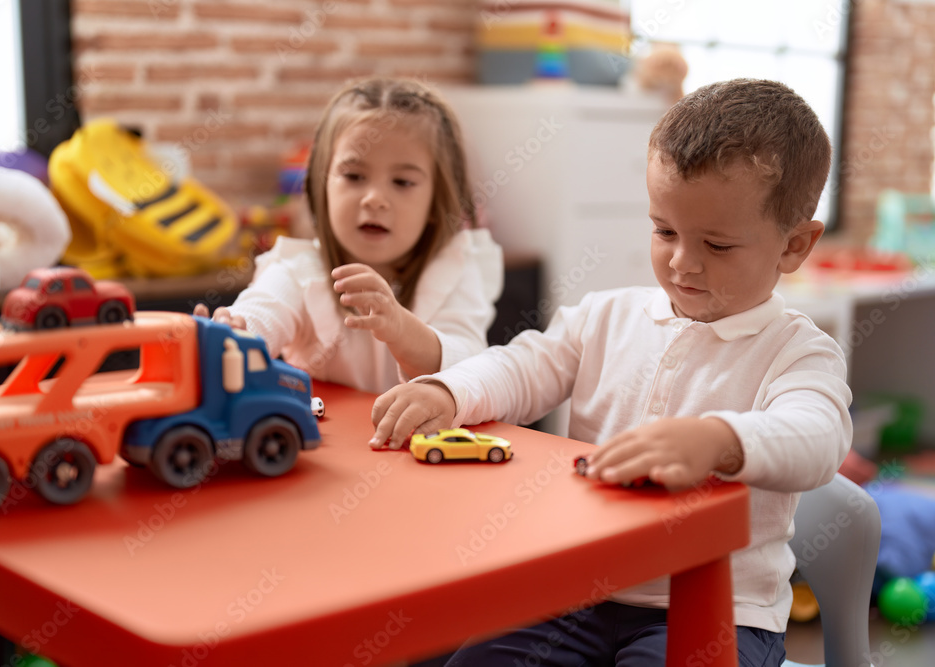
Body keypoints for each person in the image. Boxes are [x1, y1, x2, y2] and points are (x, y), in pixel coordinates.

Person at [369, 78, 852, 666]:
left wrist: (721, 441)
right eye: (664, 230)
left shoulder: (798, 352)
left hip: (720, 608)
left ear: (795, 245)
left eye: (718, 246)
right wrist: (453, 391)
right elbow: (524, 368)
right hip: (578, 588)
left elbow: (819, 437)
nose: (681, 262)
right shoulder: (604, 316)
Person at [195, 77, 503, 394]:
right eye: (354, 176)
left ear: (435, 204)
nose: (374, 199)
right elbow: (262, 311)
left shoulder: (454, 269)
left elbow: (469, 366)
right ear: (321, 187)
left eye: (402, 182)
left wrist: (400, 328)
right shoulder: (299, 270)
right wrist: (231, 333)